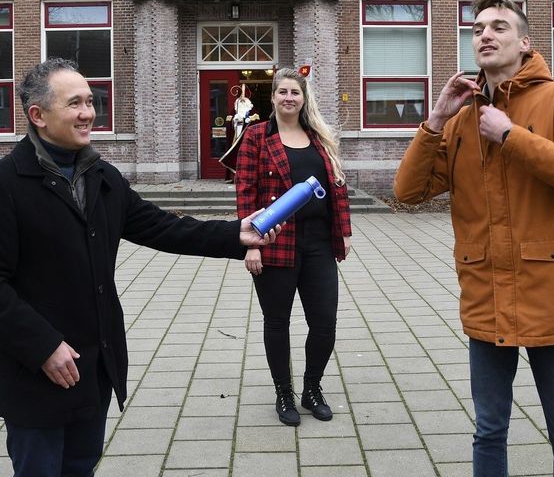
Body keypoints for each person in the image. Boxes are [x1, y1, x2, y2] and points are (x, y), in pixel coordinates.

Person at [0, 58, 282, 477]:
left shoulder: (101, 176)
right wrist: (42, 345)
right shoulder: (7, 183)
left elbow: (161, 227)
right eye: (74, 103)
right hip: (36, 370)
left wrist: (234, 235)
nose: (88, 112)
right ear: (37, 116)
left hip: (94, 362)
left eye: (90, 101)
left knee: (81, 465)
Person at [394, 0, 554, 476]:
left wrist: (512, 136)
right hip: (486, 295)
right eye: (477, 30)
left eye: (498, 27)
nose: (485, 35)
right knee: (489, 432)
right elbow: (407, 192)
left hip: (552, 295)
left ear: (525, 43)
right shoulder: (460, 117)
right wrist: (434, 120)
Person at [235, 67, 352, 426]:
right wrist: (250, 246)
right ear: (272, 97)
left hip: (318, 243)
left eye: (295, 93)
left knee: (324, 323)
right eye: (282, 92)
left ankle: (311, 387)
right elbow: (246, 192)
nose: (289, 98)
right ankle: (283, 391)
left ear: (304, 99)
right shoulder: (256, 136)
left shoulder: (318, 136)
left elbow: (338, 186)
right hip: (274, 243)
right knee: (277, 322)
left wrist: (343, 231)